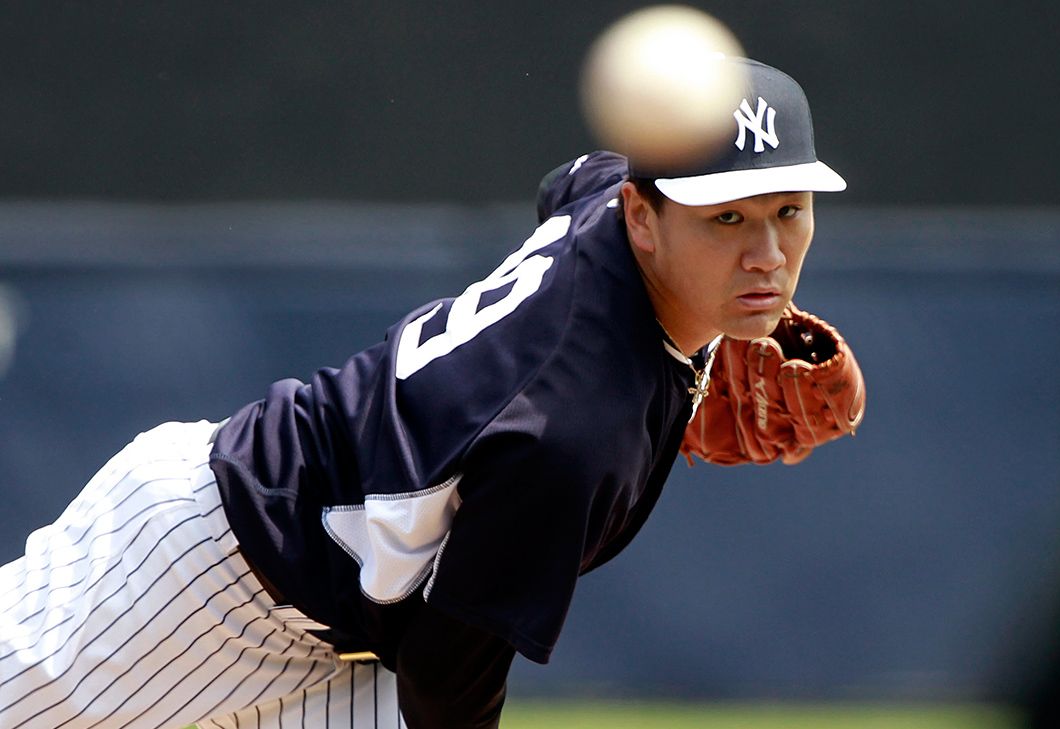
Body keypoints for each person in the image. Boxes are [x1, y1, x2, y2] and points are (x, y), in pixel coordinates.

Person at [0, 57, 862, 728]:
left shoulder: (605, 203)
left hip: (337, 638)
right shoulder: (571, 432)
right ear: (643, 216)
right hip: (197, 576)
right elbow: (452, 669)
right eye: (725, 218)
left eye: (789, 209)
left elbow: (571, 181)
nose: (768, 254)